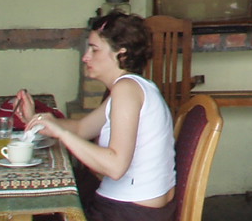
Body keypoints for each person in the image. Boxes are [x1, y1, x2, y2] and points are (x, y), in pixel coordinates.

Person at [16, 12, 176, 221]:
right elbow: (82, 128)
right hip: (133, 208)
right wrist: (37, 120)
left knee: (32, 212)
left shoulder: (126, 90)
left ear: (121, 53)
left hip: (129, 213)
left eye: (94, 49)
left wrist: (62, 133)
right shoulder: (132, 87)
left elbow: (116, 167)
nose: (86, 57)